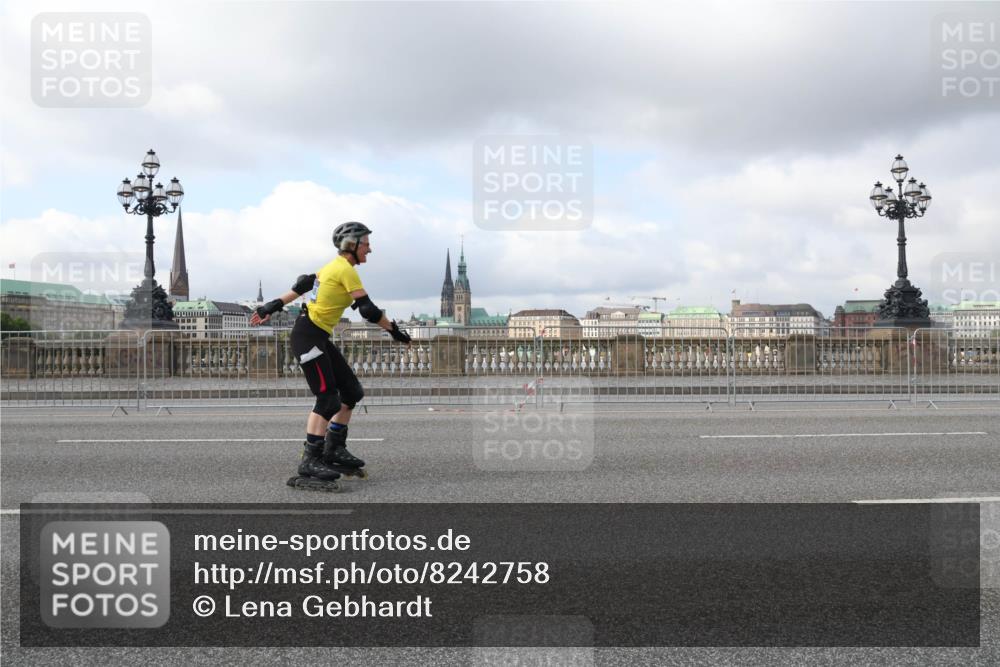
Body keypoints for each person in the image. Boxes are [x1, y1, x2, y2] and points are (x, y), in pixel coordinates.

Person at [250, 221, 411, 491]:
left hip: (318, 336)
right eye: (366, 244)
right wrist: (395, 331)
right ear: (353, 245)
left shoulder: (332, 267)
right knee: (327, 399)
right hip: (307, 336)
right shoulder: (345, 270)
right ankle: (310, 461)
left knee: (351, 392)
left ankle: (334, 449)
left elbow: (303, 285)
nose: (370, 249)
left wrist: (271, 305)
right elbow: (368, 311)